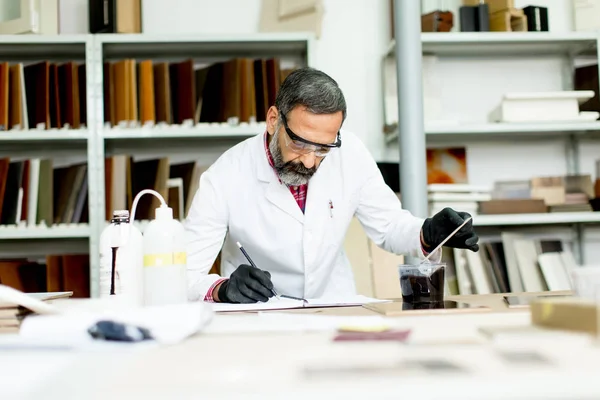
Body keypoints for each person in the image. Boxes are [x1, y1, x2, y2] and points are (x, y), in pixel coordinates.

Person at [185, 67, 479, 304]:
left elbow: (388, 225)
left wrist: (427, 233)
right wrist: (222, 289)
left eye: (323, 148)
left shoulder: (350, 153)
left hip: (333, 307)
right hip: (259, 314)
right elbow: (186, 273)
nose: (311, 162)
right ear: (274, 120)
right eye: (299, 143)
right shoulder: (225, 175)